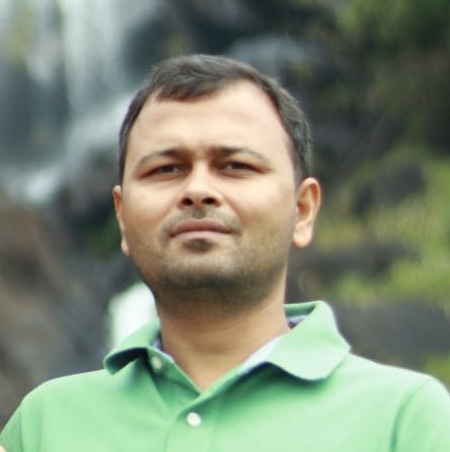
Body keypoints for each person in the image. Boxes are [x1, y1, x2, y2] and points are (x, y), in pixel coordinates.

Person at [1, 54, 450, 451]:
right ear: (122, 217)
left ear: (302, 210)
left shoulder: (407, 419)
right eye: (166, 169)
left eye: (236, 166)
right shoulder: (44, 424)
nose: (198, 189)